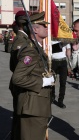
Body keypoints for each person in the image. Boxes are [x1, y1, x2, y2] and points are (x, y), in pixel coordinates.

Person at [11, 11, 55, 140]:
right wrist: (42, 82)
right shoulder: (30, 49)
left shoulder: (36, 47)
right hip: (33, 107)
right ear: (35, 29)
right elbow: (18, 78)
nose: (47, 28)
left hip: (38, 106)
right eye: (43, 26)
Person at [9, 10, 32, 140]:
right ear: (24, 24)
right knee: (19, 118)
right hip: (20, 84)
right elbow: (16, 67)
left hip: (21, 83)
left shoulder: (24, 38)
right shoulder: (20, 40)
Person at [51, 41, 71, 108]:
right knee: (52, 81)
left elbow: (68, 50)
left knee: (63, 82)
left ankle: (60, 101)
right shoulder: (51, 38)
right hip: (53, 61)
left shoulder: (65, 38)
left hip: (63, 61)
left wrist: (69, 64)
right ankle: (52, 97)